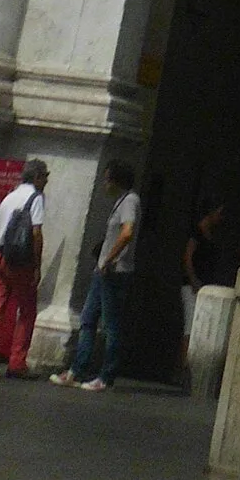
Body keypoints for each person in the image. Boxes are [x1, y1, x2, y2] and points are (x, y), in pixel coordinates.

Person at [54, 158, 139, 392]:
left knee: (111, 325)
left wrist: (110, 258)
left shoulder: (130, 201)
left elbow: (127, 232)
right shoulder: (121, 201)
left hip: (114, 271)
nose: (104, 183)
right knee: (88, 319)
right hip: (103, 271)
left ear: (115, 180)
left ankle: (106, 375)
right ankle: (77, 370)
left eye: (107, 178)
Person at [0, 157, 49, 379]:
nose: (46, 180)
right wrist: (37, 264)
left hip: (1, 257)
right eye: (45, 176)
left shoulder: (9, 197)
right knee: (26, 311)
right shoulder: (36, 198)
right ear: (37, 177)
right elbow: (36, 233)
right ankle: (17, 362)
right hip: (22, 262)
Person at [180, 198, 228, 342]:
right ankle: (183, 362)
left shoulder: (211, 235)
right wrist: (193, 279)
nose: (221, 218)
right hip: (192, 286)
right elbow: (187, 257)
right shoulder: (196, 232)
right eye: (219, 213)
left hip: (205, 286)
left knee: (199, 327)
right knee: (190, 327)